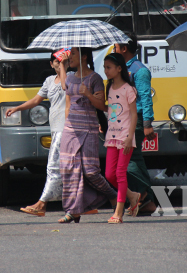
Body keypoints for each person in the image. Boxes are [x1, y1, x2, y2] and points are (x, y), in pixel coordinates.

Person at [59, 47, 125, 224]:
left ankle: (113, 197)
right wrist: (63, 65)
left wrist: (87, 94)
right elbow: (66, 90)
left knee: (91, 171)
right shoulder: (71, 77)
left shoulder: (95, 78)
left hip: (88, 128)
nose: (70, 56)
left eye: (73, 53)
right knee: (67, 168)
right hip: (70, 128)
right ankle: (73, 210)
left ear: (84, 56)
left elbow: (101, 105)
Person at [6, 49, 70, 217]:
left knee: (53, 167)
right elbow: (36, 100)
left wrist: (64, 66)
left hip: (66, 129)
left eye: (63, 61)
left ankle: (41, 204)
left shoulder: (70, 78)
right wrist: (17, 108)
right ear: (51, 64)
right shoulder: (49, 81)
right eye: (57, 62)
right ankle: (83, 205)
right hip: (55, 129)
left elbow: (66, 86)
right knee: (71, 169)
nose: (59, 64)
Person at [114, 33, 156, 215]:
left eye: (115, 47)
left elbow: (146, 98)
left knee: (129, 158)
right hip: (123, 119)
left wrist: (147, 123)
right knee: (134, 157)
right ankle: (147, 200)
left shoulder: (139, 70)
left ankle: (144, 194)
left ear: (124, 49)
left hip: (136, 120)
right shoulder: (123, 68)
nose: (113, 50)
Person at [101, 53, 141, 223]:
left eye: (108, 67)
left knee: (120, 173)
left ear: (119, 69)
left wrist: (129, 137)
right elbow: (110, 110)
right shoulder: (109, 87)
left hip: (125, 136)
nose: (106, 71)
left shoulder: (128, 89)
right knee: (109, 174)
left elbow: (134, 115)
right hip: (112, 136)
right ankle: (133, 195)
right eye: (104, 67)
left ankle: (119, 211)